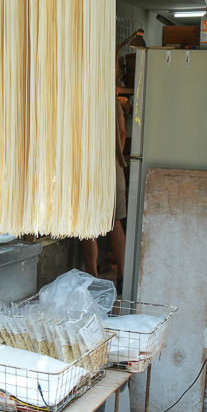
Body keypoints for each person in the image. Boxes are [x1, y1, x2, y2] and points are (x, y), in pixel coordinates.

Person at [81, 96, 128, 288]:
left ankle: (92, 276)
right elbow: (123, 132)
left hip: (89, 167)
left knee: (86, 222)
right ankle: (124, 277)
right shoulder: (113, 101)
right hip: (113, 167)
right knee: (115, 221)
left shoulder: (82, 99)